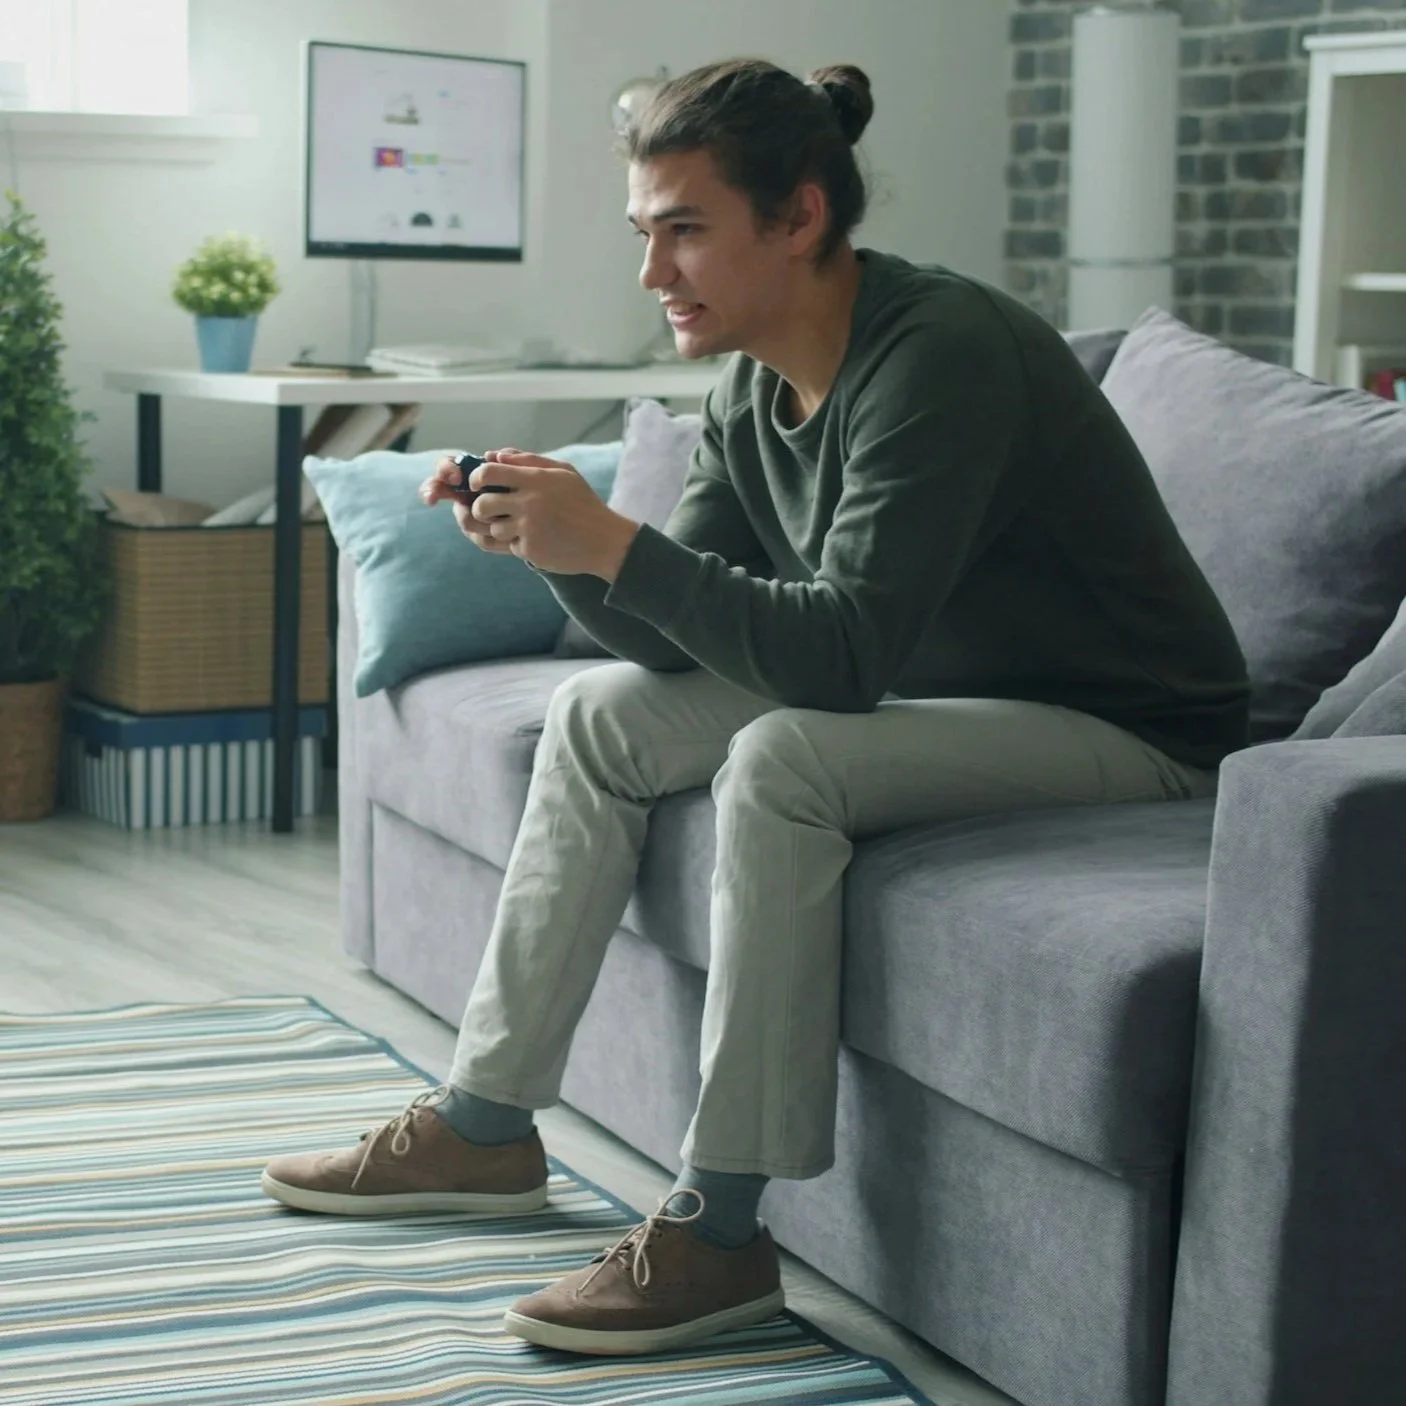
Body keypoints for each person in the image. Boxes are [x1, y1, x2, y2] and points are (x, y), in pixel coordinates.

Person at [261, 57, 1250, 1357]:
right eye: (644, 232)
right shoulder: (745, 383)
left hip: (1135, 729)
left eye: (685, 230)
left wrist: (616, 543)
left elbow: (835, 660)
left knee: (785, 758)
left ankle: (715, 1232)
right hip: (950, 690)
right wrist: (562, 539)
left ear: (797, 218)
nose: (652, 270)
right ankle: (485, 1122)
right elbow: (670, 639)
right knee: (603, 716)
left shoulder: (940, 354)